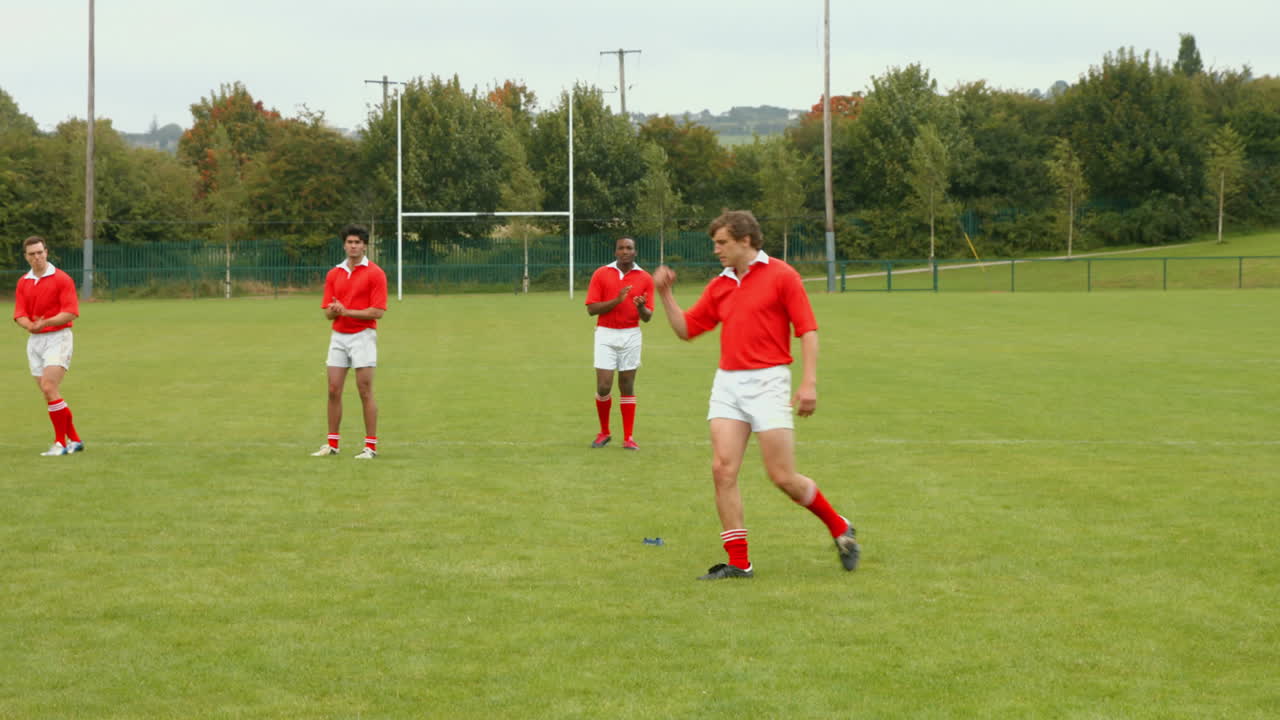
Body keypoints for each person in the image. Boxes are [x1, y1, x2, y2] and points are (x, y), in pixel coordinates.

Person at [652, 210, 859, 580]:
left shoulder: (782, 275)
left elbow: (807, 330)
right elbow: (687, 329)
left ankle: (839, 526)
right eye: (715, 243)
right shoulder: (720, 285)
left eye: (722, 243)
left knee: (782, 477)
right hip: (728, 384)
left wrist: (808, 383)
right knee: (722, 469)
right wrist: (665, 295)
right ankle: (739, 562)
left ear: (745, 240)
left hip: (769, 382)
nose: (716, 250)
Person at [312, 225, 387, 459]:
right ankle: (332, 444)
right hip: (339, 336)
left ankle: (370, 447)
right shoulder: (334, 274)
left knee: (364, 391)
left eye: (358, 242)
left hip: (362, 336)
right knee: (333, 389)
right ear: (344, 245)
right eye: (349, 242)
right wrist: (335, 311)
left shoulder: (375, 273)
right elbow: (327, 313)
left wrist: (346, 311)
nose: (353, 245)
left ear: (365, 245)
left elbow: (377, 312)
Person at [13, 236, 84, 456]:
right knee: (49, 393)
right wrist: (31, 326)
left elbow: (71, 312)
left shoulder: (62, 279)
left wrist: (46, 322)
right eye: (32, 254)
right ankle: (75, 440)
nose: (37, 257)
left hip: (58, 337)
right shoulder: (24, 281)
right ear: (26, 257)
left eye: (40, 252)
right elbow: (19, 314)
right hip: (35, 341)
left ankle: (59, 443)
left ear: (47, 252)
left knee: (48, 387)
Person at [584, 237, 654, 450]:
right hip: (605, 333)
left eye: (629, 248)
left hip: (631, 334)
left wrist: (641, 306)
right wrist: (617, 300)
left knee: (627, 385)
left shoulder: (645, 278)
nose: (625, 251)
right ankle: (604, 432)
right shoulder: (601, 273)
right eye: (621, 248)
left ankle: (628, 437)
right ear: (615, 252)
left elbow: (648, 316)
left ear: (635, 252)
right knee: (604, 385)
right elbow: (591, 309)